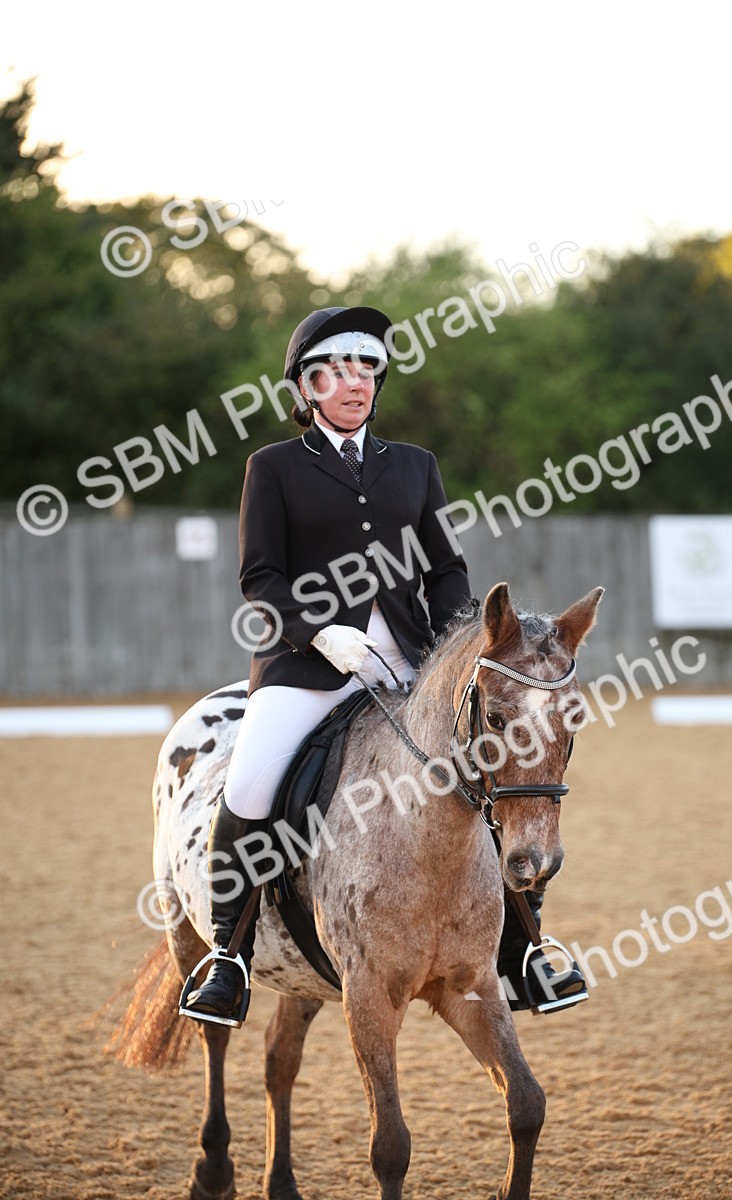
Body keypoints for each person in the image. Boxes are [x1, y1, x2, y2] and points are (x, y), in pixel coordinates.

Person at [182, 306, 585, 1024]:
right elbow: (261, 580)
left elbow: (445, 571)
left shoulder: (414, 466)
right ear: (305, 389)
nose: (355, 383)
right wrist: (320, 635)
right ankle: (228, 955)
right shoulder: (271, 468)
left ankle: (526, 952)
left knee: (491, 772)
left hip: (407, 661)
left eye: (366, 369)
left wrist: (459, 643)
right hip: (308, 667)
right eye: (335, 372)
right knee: (247, 787)